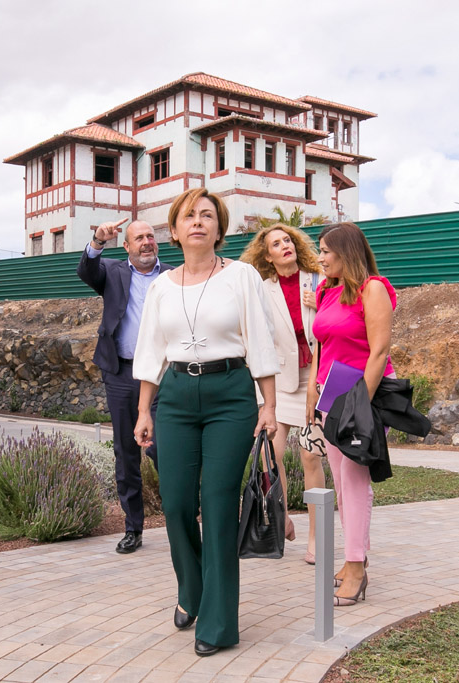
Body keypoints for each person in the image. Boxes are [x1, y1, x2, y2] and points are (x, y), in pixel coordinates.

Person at [133, 187, 279, 657]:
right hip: (174, 397)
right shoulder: (160, 286)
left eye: (207, 216)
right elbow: (151, 350)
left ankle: (217, 622)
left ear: (220, 227)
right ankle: (191, 590)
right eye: (188, 216)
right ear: (173, 230)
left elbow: (260, 340)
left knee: (217, 505)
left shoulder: (242, 276)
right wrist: (143, 410)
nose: (198, 222)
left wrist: (269, 405)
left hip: (230, 397)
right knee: (175, 503)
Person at [307, 222, 396, 607]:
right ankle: (353, 557)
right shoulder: (327, 291)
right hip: (332, 395)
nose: (320, 258)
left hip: (364, 395)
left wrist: (360, 404)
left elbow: (379, 352)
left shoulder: (372, 289)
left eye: (326, 251)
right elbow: (321, 346)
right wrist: (314, 394)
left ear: (347, 252)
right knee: (342, 486)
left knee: (354, 480)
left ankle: (356, 568)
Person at [77, 218, 169, 554]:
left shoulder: (173, 275)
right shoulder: (112, 272)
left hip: (162, 376)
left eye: (150, 236)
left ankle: (180, 518)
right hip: (121, 372)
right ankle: (134, 528)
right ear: (126, 247)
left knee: (164, 448)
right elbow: (87, 271)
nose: (146, 242)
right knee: (126, 452)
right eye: (138, 238)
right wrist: (97, 240)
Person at [239, 223, 327, 565]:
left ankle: (316, 539)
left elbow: (331, 323)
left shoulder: (317, 279)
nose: (285, 246)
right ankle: (283, 517)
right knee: (270, 457)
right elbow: (256, 334)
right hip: (279, 380)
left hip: (315, 377)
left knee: (310, 456)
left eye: (287, 240)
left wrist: (318, 304)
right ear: (268, 255)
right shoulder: (263, 289)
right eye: (276, 243)